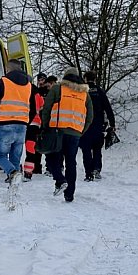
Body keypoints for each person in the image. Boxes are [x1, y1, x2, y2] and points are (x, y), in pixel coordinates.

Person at [41, 67, 93, 202]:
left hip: (57, 130)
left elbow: (46, 108)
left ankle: (60, 180)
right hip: (75, 133)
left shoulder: (57, 89)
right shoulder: (84, 94)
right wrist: (81, 130)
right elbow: (90, 116)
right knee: (71, 162)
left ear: (65, 77)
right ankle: (69, 194)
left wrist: (45, 126)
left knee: (52, 157)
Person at [0, 59, 38, 184]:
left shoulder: (2, 82)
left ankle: (12, 172)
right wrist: (26, 122)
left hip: (4, 123)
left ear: (8, 69)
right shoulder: (29, 85)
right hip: (22, 125)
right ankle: (13, 180)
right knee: (15, 156)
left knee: (0, 156)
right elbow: (33, 108)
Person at [79, 71, 116, 182]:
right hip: (98, 125)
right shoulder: (100, 91)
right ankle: (97, 169)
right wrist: (112, 123)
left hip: (85, 125)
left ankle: (88, 173)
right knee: (97, 149)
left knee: (86, 150)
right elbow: (108, 108)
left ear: (85, 79)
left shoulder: (82, 92)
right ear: (94, 79)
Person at [23, 87, 45, 181]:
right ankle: (28, 171)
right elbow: (42, 105)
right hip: (35, 123)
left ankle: (15, 169)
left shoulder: (22, 91)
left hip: (23, 122)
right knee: (31, 148)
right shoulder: (37, 93)